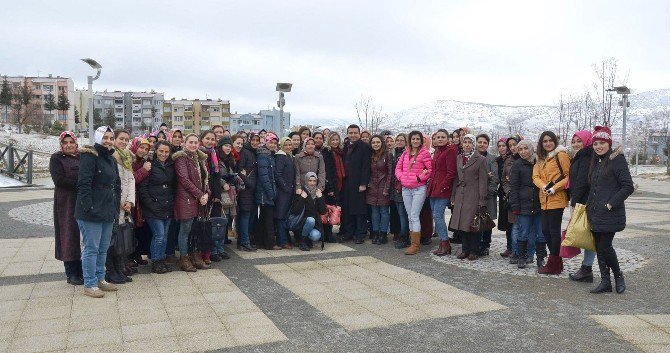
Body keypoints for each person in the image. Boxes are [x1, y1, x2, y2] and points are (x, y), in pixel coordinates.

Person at [75, 126, 121, 298]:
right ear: (98, 138)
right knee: (91, 248)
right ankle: (90, 283)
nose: (108, 141)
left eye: (111, 138)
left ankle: (100, 278)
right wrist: (88, 207)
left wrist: (115, 206)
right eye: (105, 137)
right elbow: (83, 184)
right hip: (91, 211)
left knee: (103, 248)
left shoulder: (111, 158)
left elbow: (116, 185)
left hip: (108, 209)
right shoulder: (90, 156)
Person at [587, 126, 634, 294]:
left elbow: (628, 186)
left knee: (605, 246)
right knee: (599, 247)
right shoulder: (597, 162)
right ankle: (605, 281)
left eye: (602, 143)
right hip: (594, 214)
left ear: (609, 143)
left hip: (609, 213)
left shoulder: (617, 159)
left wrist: (610, 203)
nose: (598, 146)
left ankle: (618, 275)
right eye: (595, 143)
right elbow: (594, 188)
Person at [533, 131, 571, 274]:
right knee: (545, 230)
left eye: (550, 140)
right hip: (544, 198)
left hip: (557, 198)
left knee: (553, 231)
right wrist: (543, 186)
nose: (548, 143)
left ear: (555, 141)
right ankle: (557, 261)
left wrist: (554, 188)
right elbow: (535, 176)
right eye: (545, 141)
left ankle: (553, 264)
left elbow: (568, 176)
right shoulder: (540, 158)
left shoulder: (561, 155)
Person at [173, 133, 211, 272]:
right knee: (185, 230)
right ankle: (184, 258)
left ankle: (195, 256)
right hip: (186, 200)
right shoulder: (181, 158)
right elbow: (184, 180)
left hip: (199, 200)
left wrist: (206, 193)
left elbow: (205, 178)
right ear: (185, 143)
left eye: (196, 142)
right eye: (191, 142)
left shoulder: (199, 158)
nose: (194, 145)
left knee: (196, 230)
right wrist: (200, 194)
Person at [50, 131, 83, 285]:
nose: (69, 145)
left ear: (76, 143)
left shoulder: (81, 157)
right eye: (65, 142)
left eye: (71, 142)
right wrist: (81, 184)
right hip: (66, 202)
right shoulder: (57, 158)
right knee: (68, 235)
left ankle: (82, 270)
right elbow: (59, 180)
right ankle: (71, 272)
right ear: (61, 145)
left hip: (81, 201)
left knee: (82, 236)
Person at [449, 134, 488, 261]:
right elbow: (456, 178)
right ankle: (465, 249)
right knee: (462, 224)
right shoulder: (459, 158)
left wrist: (482, 200)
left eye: (469, 142)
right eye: (465, 142)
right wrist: (453, 196)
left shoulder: (480, 159)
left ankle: (474, 250)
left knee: (473, 224)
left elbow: (483, 181)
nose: (467, 144)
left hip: (474, 195)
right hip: (461, 195)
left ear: (473, 144)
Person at [139, 141, 175, 274]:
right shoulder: (149, 166)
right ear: (156, 151)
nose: (163, 154)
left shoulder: (171, 166)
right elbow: (143, 189)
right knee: (159, 235)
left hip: (168, 205)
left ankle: (161, 259)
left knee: (164, 235)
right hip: (153, 207)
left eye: (166, 152)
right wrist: (151, 204)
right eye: (161, 151)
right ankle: (155, 261)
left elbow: (173, 186)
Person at [395, 130, 433, 255]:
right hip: (406, 188)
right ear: (409, 140)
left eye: (417, 139)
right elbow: (398, 168)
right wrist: (401, 178)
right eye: (413, 139)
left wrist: (419, 178)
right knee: (410, 215)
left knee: (414, 215)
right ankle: (413, 241)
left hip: (418, 188)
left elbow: (429, 169)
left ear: (421, 141)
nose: (415, 141)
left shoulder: (425, 153)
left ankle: (415, 245)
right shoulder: (405, 153)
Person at [509, 140, 545, 268]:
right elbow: (514, 187)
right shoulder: (517, 165)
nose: (523, 151)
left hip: (539, 203)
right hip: (523, 205)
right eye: (520, 149)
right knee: (523, 232)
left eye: (526, 148)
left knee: (540, 233)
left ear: (531, 149)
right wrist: (515, 206)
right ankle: (521, 257)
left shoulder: (539, 162)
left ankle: (540, 258)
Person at [107, 129, 136, 284]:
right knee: (111, 239)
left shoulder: (126, 157)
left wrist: (130, 201)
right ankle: (111, 270)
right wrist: (119, 201)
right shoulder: (111, 156)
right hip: (114, 204)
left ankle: (119, 268)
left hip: (125, 205)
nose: (124, 142)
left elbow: (131, 180)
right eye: (121, 139)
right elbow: (111, 183)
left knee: (121, 238)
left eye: (126, 139)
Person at [568, 130, 596, 282]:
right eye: (574, 141)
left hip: (583, 203)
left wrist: (574, 202)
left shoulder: (586, 156)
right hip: (581, 201)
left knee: (587, 236)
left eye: (579, 141)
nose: (576, 144)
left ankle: (587, 269)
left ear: (586, 141)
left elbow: (582, 182)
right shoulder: (581, 156)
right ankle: (586, 268)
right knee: (587, 235)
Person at [428, 129, 458, 256]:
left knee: (438, 216)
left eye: (442, 137)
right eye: (438, 137)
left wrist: (442, 186)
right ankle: (442, 243)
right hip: (433, 188)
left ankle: (445, 244)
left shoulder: (450, 151)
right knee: (435, 216)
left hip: (442, 189)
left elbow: (451, 172)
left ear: (447, 138)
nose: (440, 139)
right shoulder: (437, 151)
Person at [341, 125, 372, 244]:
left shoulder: (364, 147)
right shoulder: (346, 146)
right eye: (350, 133)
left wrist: (364, 183)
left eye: (355, 133)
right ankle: (349, 233)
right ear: (347, 134)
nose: (353, 135)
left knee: (359, 210)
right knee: (348, 208)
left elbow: (366, 166)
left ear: (359, 134)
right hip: (347, 182)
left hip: (359, 183)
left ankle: (360, 234)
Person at [199, 130, 224, 264]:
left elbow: (216, 175)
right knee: (201, 225)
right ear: (201, 139)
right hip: (201, 194)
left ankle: (211, 252)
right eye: (207, 138)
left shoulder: (214, 153)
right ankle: (201, 252)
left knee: (212, 224)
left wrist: (217, 194)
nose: (210, 141)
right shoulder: (198, 154)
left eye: (212, 139)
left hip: (213, 194)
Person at [127, 137, 152, 268]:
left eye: (146, 149)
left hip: (140, 201)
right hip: (130, 199)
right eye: (141, 147)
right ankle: (128, 256)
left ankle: (136, 254)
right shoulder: (129, 160)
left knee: (138, 228)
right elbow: (131, 180)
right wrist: (144, 170)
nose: (143, 151)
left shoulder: (144, 161)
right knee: (129, 228)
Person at [214, 136, 239, 258]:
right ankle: (216, 249)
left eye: (230, 146)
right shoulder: (216, 158)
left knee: (226, 221)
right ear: (220, 146)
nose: (228, 148)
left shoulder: (230, 159)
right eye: (226, 146)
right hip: (221, 193)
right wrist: (223, 183)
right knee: (219, 222)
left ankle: (221, 247)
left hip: (229, 194)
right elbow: (215, 175)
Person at [366, 135, 393, 245]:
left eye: (378, 142)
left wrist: (387, 187)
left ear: (382, 143)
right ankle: (375, 233)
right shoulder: (370, 155)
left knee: (384, 211)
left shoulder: (388, 155)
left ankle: (383, 234)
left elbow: (390, 173)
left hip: (383, 186)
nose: (376, 144)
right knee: (374, 212)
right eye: (373, 142)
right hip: (372, 186)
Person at [290, 172, 327, 251]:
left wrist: (320, 198)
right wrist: (302, 198)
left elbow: (323, 211)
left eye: (314, 181)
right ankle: (302, 242)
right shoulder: (301, 192)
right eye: (310, 181)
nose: (312, 183)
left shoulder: (318, 192)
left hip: (314, 224)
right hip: (301, 222)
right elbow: (295, 211)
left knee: (316, 236)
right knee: (310, 220)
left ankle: (307, 239)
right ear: (306, 181)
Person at [475, 134, 499, 256]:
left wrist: (487, 193)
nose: (482, 144)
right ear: (476, 143)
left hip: (488, 196)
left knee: (486, 221)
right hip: (473, 195)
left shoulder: (492, 159)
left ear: (487, 145)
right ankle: (475, 244)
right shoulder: (472, 157)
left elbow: (495, 179)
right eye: (480, 142)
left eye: (484, 142)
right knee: (474, 220)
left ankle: (485, 245)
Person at [256, 132, 280, 250]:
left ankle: (260, 241)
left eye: (275, 143)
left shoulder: (270, 155)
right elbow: (264, 176)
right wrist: (271, 192)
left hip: (267, 191)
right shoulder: (263, 156)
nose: (273, 145)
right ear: (266, 142)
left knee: (264, 218)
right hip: (264, 192)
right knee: (268, 218)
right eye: (271, 142)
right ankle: (270, 243)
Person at [501, 135, 522, 262]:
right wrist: (509, 191)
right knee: (514, 226)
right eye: (511, 146)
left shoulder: (529, 158)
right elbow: (504, 179)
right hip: (512, 197)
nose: (513, 148)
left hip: (526, 198)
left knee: (525, 227)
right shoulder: (508, 160)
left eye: (515, 144)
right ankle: (515, 252)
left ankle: (527, 252)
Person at [321, 132, 344, 243]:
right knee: (328, 210)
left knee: (334, 208)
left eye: (337, 140)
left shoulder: (340, 152)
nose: (335, 142)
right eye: (333, 140)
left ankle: (330, 233)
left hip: (339, 183)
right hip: (330, 185)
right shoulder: (326, 152)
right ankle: (327, 234)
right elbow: (326, 171)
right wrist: (329, 188)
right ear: (329, 141)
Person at [236, 133, 258, 251]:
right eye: (253, 140)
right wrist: (250, 183)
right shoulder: (245, 152)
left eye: (257, 140)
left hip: (252, 190)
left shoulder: (255, 152)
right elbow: (240, 170)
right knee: (245, 215)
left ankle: (244, 240)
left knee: (250, 216)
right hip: (246, 190)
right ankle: (244, 241)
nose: (255, 142)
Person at [274, 137, 296, 248]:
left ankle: (285, 239)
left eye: (290, 145)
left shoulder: (290, 156)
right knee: (281, 216)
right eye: (286, 145)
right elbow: (278, 174)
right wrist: (286, 188)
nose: (288, 147)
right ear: (282, 145)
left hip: (288, 191)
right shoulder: (281, 157)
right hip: (283, 192)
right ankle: (282, 241)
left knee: (285, 216)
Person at [391, 133, 410, 249]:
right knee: (399, 214)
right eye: (397, 140)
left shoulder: (406, 153)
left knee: (403, 214)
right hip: (395, 188)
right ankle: (401, 235)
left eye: (402, 140)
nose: (399, 142)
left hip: (403, 187)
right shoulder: (394, 153)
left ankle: (405, 237)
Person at [496, 137, 512, 257]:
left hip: (511, 192)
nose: (501, 148)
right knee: (507, 222)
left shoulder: (512, 159)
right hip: (502, 193)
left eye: (503, 145)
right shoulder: (498, 160)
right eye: (499, 146)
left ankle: (515, 247)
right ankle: (509, 247)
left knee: (513, 222)